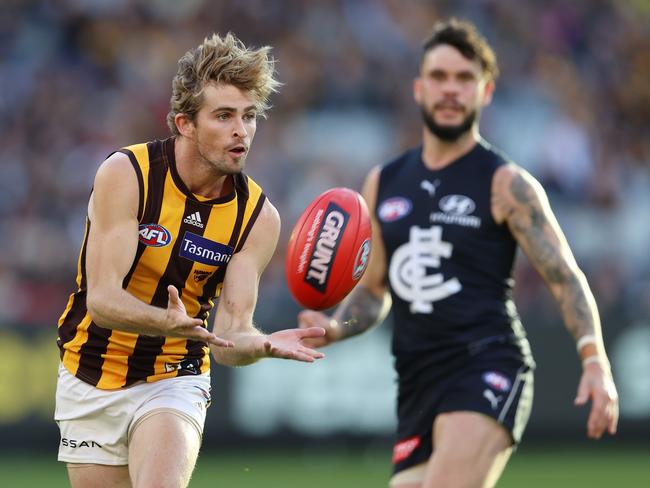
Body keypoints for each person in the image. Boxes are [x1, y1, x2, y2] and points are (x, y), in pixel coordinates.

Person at [298, 18, 619, 488]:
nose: (451, 90)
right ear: (418, 88)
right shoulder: (383, 182)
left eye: (465, 79)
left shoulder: (506, 183)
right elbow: (373, 290)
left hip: (487, 362)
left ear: (485, 92)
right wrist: (335, 327)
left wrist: (595, 361)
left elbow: (564, 277)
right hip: (416, 381)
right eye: (440, 77)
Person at [54, 32, 325, 488]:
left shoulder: (258, 217)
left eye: (249, 116)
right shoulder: (128, 174)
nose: (241, 130)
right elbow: (102, 300)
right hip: (89, 369)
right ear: (185, 123)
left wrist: (258, 345)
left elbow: (230, 334)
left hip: (174, 374)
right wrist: (167, 321)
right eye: (223, 116)